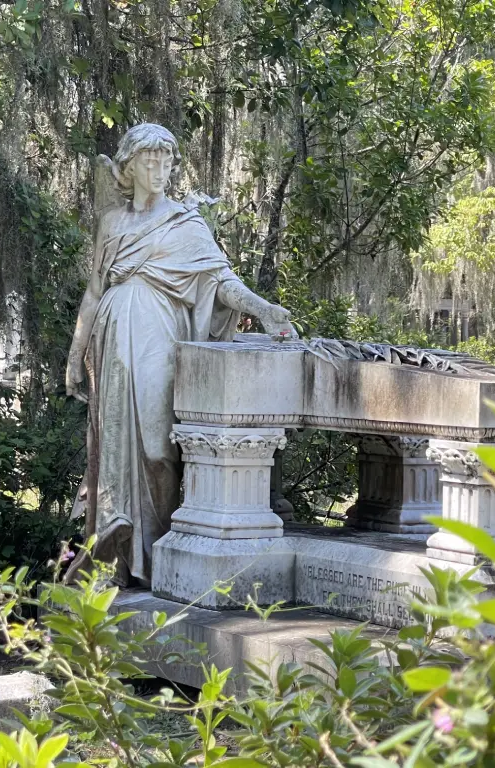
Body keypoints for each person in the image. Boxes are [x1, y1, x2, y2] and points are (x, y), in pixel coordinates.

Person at [65, 123, 295, 586]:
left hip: (159, 338)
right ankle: (115, 556)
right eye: (149, 161)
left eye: (166, 162)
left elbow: (221, 281)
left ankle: (159, 550)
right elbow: (93, 291)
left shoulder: (184, 223)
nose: (159, 170)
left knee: (157, 447)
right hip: (112, 342)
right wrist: (75, 354)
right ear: (129, 167)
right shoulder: (112, 222)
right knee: (113, 447)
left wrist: (264, 309)